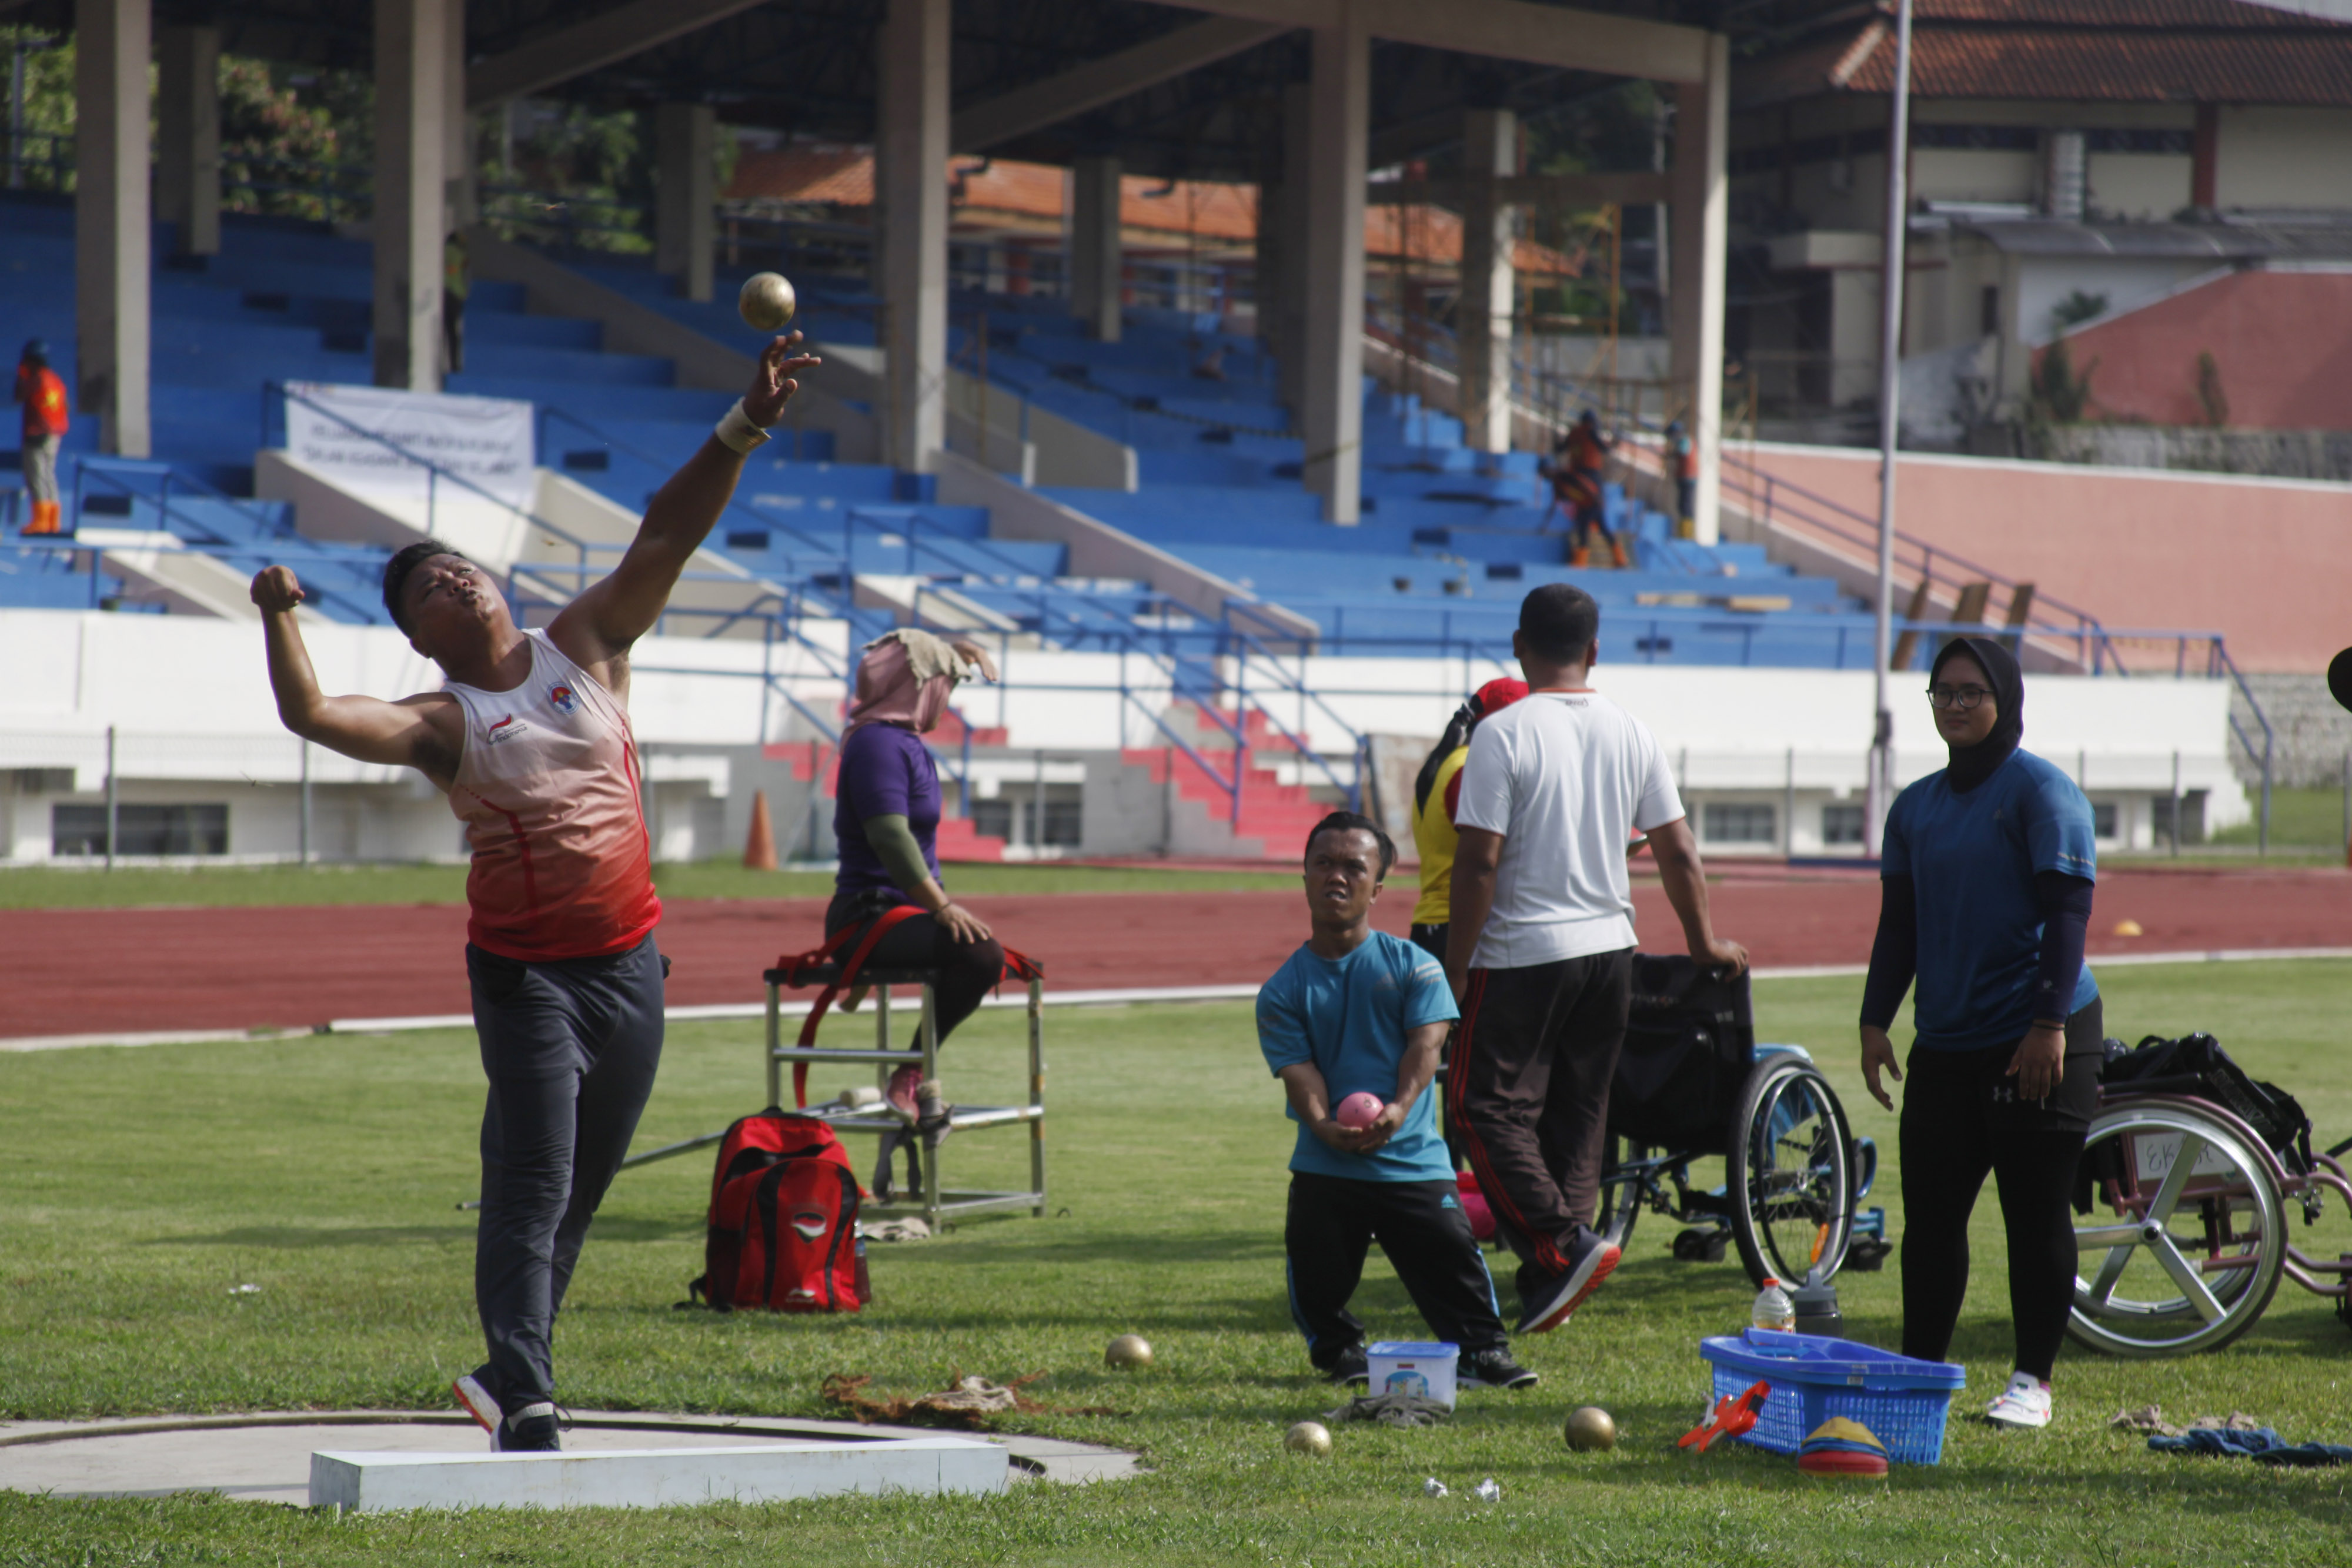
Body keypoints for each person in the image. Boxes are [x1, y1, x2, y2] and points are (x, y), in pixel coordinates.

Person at [249, 333, 821, 1453]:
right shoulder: (440, 725)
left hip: (631, 966)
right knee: (533, 1175)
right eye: (427, 586)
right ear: (420, 634)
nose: (455, 576)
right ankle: (529, 1397)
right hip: (528, 981)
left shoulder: (591, 647)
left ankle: (506, 1368)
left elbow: (667, 530)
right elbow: (315, 717)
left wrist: (743, 426)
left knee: (581, 1190)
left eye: (461, 563)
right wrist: (279, 613)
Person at [1444, 584, 1746, 1334]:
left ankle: (1561, 1244)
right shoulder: (1631, 730)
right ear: (1594, 651)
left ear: (1519, 646)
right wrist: (1704, 942)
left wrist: (1451, 969)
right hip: (1611, 949)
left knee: (1481, 1105)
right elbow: (1676, 849)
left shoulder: (1502, 733)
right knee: (1580, 1114)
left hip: (1522, 950)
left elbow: (1479, 863)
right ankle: (1557, 1278)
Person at [1860, 635, 2100, 1432]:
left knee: (2034, 1214)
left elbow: (2068, 914)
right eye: (1944, 691)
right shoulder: (1916, 806)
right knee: (1931, 1219)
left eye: (1972, 690)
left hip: (2038, 1034)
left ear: (2006, 697)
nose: (1957, 703)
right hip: (1948, 1039)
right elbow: (1899, 926)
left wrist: (2047, 1024)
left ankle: (2033, 1380)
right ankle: (1922, 1371)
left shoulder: (2042, 792)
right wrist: (1873, 1019)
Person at [1258, 811, 1535, 1392]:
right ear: (1304, 876)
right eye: (1323, 864)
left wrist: (1398, 1111)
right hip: (1326, 1158)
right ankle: (1339, 1352)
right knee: (1314, 1273)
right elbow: (1300, 1073)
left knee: (1453, 1257)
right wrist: (1320, 1124)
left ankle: (1482, 1353)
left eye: (1353, 867)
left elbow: (1425, 1046)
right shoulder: (1283, 990)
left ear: (1377, 888)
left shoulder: (1415, 966)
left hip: (1409, 1155)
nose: (1336, 877)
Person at [827, 625, 1008, 1196]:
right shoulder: (877, 743)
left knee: (979, 951)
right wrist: (943, 906)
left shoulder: (900, 741)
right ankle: (910, 1073)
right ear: (920, 687)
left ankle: (911, 1074)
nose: (947, 699)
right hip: (869, 914)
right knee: (980, 954)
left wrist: (957, 646)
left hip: (903, 912)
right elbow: (889, 837)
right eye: (946, 685)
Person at [1407, 677, 1530, 964]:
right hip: (1464, 932)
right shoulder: (1472, 771)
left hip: (1436, 925)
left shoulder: (1447, 763)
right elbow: (1488, 860)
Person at [1547, 412, 1623, 569]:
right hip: (1591, 478)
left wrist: (1555, 441)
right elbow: (1604, 448)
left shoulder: (1574, 433)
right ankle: (1618, 558)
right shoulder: (1591, 431)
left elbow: (1560, 449)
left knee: (1587, 520)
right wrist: (1614, 443)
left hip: (1579, 476)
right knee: (1597, 521)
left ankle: (1582, 560)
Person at [14, 340, 68, 536]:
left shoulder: (35, 379)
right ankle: (54, 521)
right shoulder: (55, 380)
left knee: (36, 476)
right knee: (49, 476)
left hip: (37, 433)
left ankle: (41, 522)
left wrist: (21, 376)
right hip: (55, 434)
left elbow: (18, 396)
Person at [444, 232, 470, 376]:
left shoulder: (444, 251)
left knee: (444, 331)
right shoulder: (461, 253)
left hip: (445, 292)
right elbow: (463, 272)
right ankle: (455, 365)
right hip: (457, 294)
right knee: (454, 333)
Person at [1667, 419, 1696, 540]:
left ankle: (1687, 534)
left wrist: (1671, 454)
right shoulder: (1683, 441)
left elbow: (1682, 452)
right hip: (1683, 477)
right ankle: (1683, 533)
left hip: (1688, 477)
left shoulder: (1685, 441)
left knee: (1686, 506)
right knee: (1681, 505)